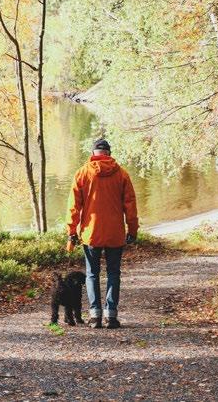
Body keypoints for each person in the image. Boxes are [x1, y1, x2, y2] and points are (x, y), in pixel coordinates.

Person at [66, 138, 139, 329]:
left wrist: (71, 231)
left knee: (92, 274)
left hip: (91, 233)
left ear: (93, 153)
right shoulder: (122, 174)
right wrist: (132, 229)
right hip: (115, 233)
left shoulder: (82, 173)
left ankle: (95, 317)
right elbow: (130, 205)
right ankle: (111, 317)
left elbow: (74, 207)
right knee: (114, 273)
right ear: (109, 153)